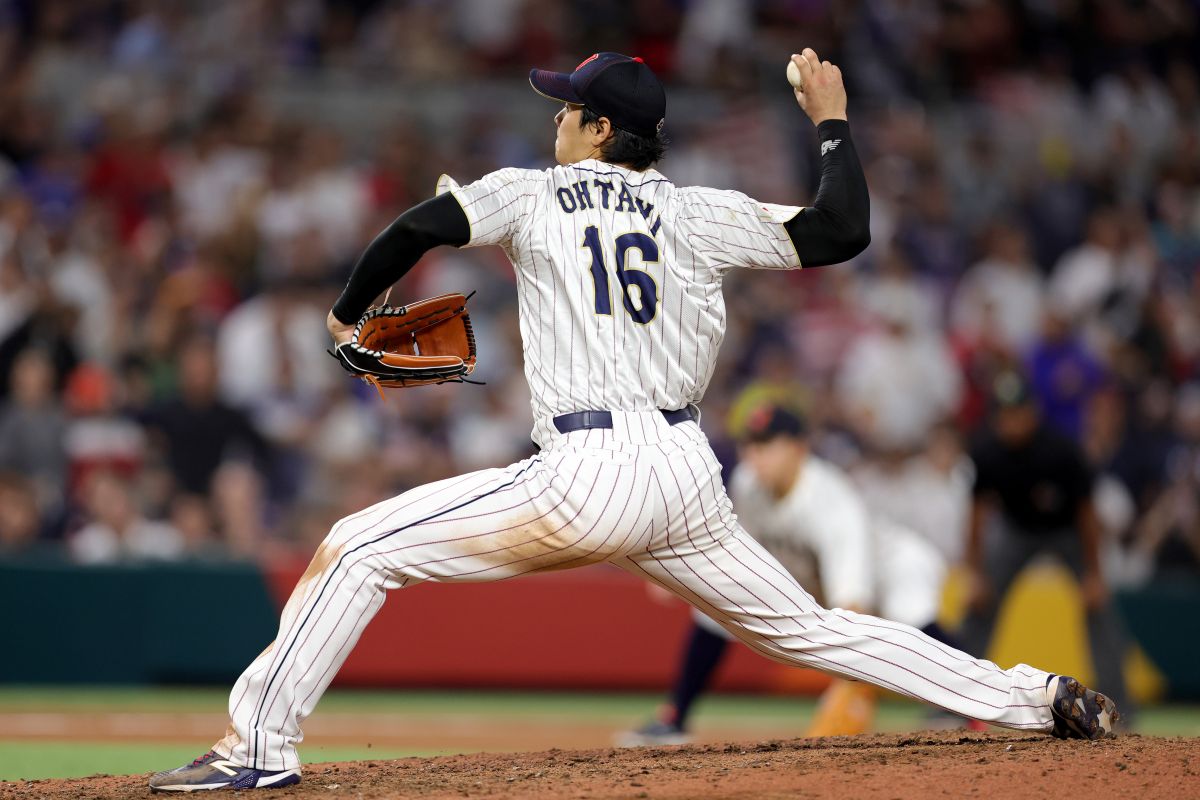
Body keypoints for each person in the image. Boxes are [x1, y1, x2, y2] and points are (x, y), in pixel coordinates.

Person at [150, 50, 1117, 793]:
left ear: (600, 128)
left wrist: (346, 314)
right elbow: (841, 230)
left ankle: (257, 748)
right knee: (813, 629)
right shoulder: (696, 212)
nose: (557, 120)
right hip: (685, 473)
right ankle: (1035, 698)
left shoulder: (533, 195)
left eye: (566, 108)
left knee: (358, 548)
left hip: (587, 469)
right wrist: (832, 124)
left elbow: (416, 228)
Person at [617, 404, 960, 746]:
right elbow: (728, 554)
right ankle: (675, 718)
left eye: (767, 445)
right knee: (713, 612)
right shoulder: (747, 483)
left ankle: (970, 703)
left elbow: (854, 607)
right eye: (750, 445)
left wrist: (849, 688)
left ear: (798, 449)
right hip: (819, 582)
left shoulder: (831, 502)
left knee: (912, 619)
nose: (755, 455)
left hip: (894, 570)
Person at [960, 371, 1131, 714]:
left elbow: (1086, 515)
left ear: (1033, 412)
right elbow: (977, 514)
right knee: (979, 603)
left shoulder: (1061, 450)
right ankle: (955, 697)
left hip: (1067, 530)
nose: (1011, 422)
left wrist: (1094, 574)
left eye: (1018, 413)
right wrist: (975, 573)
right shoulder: (987, 451)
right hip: (1017, 530)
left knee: (1098, 604)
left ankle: (1119, 703)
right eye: (1004, 415)